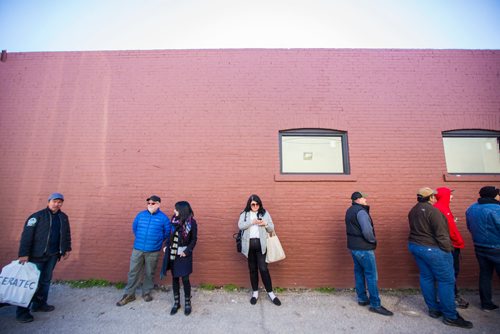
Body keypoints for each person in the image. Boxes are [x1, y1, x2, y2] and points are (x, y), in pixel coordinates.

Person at [408, 187, 473, 329]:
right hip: (432, 249)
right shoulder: (434, 211)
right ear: (431, 197)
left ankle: (433, 309)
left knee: (426, 277)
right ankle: (450, 316)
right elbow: (442, 234)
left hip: (415, 246)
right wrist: (448, 250)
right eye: (434, 196)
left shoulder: (413, 210)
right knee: (447, 280)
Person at [16, 192, 72, 323]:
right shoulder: (37, 217)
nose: (57, 204)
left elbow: (67, 234)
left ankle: (40, 304)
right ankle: (22, 311)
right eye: (54, 201)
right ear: (49, 202)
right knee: (30, 283)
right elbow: (26, 236)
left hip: (52, 255)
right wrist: (23, 254)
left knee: (45, 281)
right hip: (36, 256)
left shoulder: (63, 217)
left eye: (60, 202)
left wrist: (67, 249)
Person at [116, 195, 171, 306]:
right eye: (149, 203)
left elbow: (167, 233)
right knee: (133, 271)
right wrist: (141, 240)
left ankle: (146, 292)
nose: (150, 205)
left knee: (149, 272)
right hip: (138, 249)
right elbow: (135, 228)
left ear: (159, 204)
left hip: (153, 250)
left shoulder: (163, 218)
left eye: (153, 203)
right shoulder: (140, 215)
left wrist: (157, 241)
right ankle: (129, 294)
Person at [345, 192, 393, 316]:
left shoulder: (349, 210)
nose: (366, 199)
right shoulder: (361, 212)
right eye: (363, 197)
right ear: (357, 199)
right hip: (364, 248)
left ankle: (362, 298)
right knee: (371, 275)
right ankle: (375, 305)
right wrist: (373, 240)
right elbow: (367, 231)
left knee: (359, 272)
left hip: (354, 248)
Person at [238, 194, 281, 306]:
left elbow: (271, 228)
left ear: (260, 204)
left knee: (263, 269)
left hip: (262, 246)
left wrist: (265, 223)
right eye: (253, 204)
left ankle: (271, 293)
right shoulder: (245, 214)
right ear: (249, 204)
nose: (255, 206)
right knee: (252, 269)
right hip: (249, 247)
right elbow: (240, 226)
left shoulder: (264, 213)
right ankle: (255, 293)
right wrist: (252, 222)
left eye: (257, 204)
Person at [465, 186, 500, 311]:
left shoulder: (471, 208)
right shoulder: (497, 209)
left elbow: (470, 227)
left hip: (479, 247)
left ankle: (486, 304)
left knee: (485, 274)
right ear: (493, 195)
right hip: (497, 248)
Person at [434, 187, 469, 309]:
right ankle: (451, 298)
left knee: (450, 272)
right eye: (450, 194)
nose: (452, 197)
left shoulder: (442, 207)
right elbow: (451, 231)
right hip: (450, 246)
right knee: (451, 272)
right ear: (445, 195)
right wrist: (459, 242)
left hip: (448, 245)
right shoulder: (441, 208)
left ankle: (451, 296)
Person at [162, 201, 198, 316]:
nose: (174, 211)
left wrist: (187, 251)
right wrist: (166, 245)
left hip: (185, 254)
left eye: (176, 209)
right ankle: (176, 303)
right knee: (175, 278)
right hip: (174, 253)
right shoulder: (173, 220)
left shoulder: (192, 223)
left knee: (185, 279)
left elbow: (194, 240)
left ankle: (188, 303)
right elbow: (170, 236)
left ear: (182, 211)